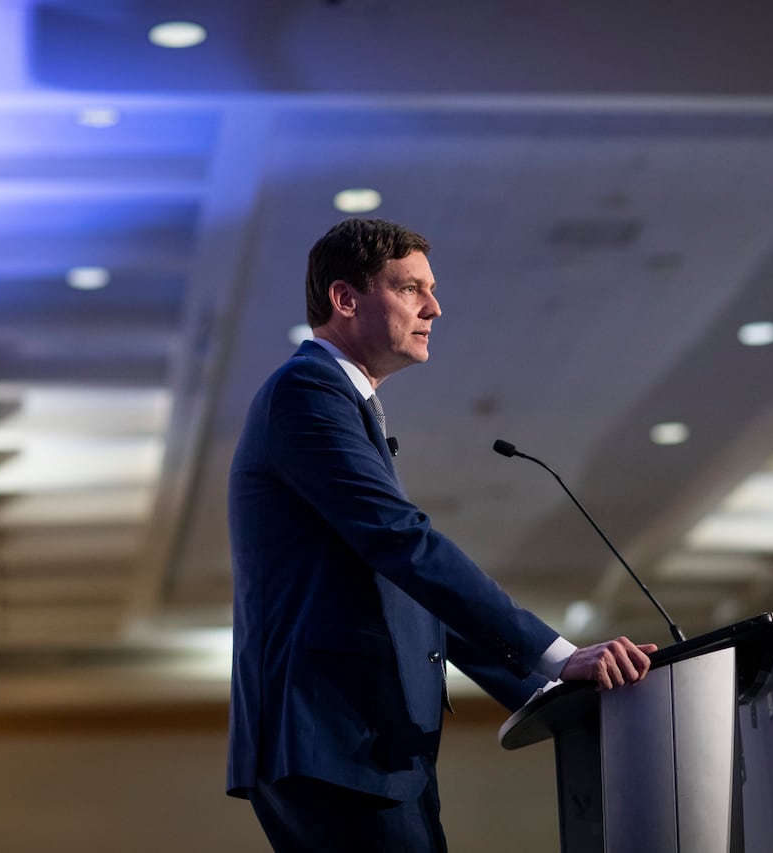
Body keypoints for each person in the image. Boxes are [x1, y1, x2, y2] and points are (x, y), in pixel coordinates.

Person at [226, 218, 657, 851]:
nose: (434, 306)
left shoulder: (339, 400)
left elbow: (401, 585)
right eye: (410, 289)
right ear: (345, 300)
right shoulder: (306, 392)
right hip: (330, 737)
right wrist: (559, 655)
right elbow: (400, 542)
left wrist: (550, 684)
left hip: (365, 747)